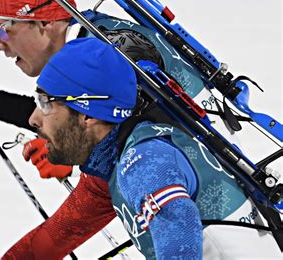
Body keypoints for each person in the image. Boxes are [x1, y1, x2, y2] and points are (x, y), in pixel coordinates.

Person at [0, 0, 244, 258]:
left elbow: (114, 163)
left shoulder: (108, 65)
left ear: (45, 22)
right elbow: (79, 116)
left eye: (1, 30)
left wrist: (70, 151)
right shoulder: (93, 40)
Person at [28, 37, 282, 259]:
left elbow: (179, 221)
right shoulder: (132, 151)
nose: (33, 119)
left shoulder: (141, 161)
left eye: (46, 103)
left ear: (88, 114)